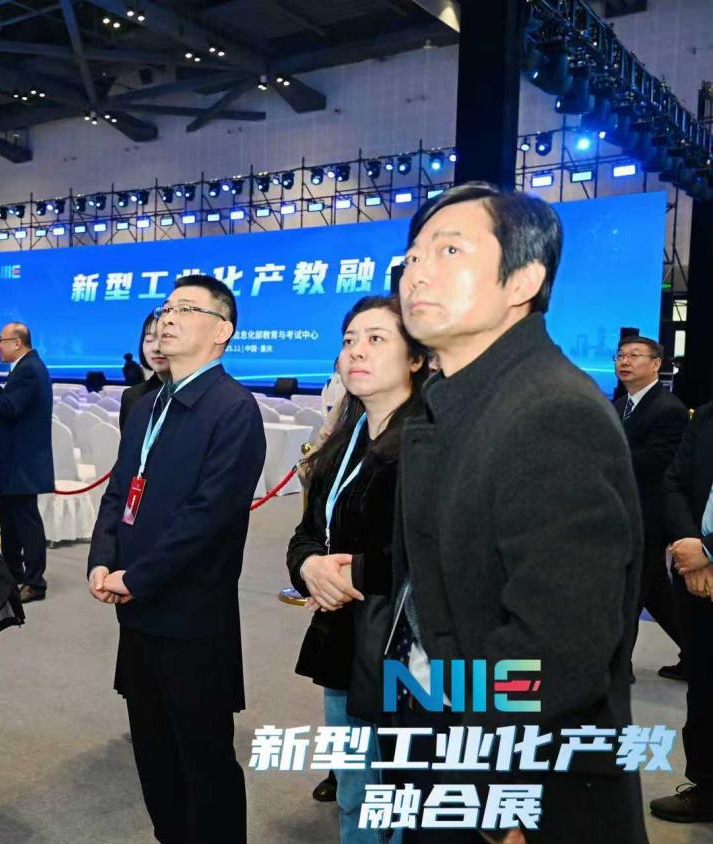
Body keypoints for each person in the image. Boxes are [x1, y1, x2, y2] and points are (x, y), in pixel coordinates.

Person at [389, 182, 645, 841]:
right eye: (412, 257)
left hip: (520, 781)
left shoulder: (549, 412)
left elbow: (555, 649)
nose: (417, 273)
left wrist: (488, 791)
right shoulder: (464, 400)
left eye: (449, 251)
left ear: (523, 280)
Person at [88, 274, 265, 843]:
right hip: (136, 609)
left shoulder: (233, 409)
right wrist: (101, 559)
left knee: (203, 757)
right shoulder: (147, 406)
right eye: (166, 308)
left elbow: (208, 518)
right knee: (152, 749)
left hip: (192, 616)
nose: (167, 318)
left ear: (222, 330)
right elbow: (119, 492)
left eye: (186, 309)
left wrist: (136, 577)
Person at [287, 295, 429, 844]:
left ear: (416, 358)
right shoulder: (343, 444)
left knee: (405, 798)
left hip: (409, 651)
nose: (356, 352)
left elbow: (435, 549)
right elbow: (306, 533)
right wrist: (310, 567)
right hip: (344, 641)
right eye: (349, 341)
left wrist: (352, 575)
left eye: (376, 339)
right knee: (355, 792)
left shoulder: (431, 440)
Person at [650, 401, 713, 822]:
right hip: (696, 576)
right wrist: (691, 548)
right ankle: (706, 786)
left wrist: (708, 552)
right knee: (704, 684)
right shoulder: (706, 416)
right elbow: (673, 482)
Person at [613, 335, 689, 679]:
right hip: (622, 512)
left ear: (656, 364)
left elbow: (657, 462)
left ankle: (618, 667)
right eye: (620, 355)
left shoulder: (668, 409)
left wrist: (604, 453)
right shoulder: (620, 405)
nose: (624, 361)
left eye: (634, 355)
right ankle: (699, 654)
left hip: (648, 515)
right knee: (655, 590)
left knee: (630, 588)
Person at [0, 323, 54, 603]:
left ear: (17, 342)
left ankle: (35, 582)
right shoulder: (26, 367)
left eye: (0, 340)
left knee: (25, 521)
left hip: (22, 460)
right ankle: (13, 572)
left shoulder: (29, 369)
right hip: (15, 460)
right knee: (10, 516)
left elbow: (10, 408)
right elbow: (15, 403)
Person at [118, 312, 169, 430]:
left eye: (166, 338)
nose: (156, 348)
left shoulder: (206, 396)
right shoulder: (132, 397)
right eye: (149, 340)